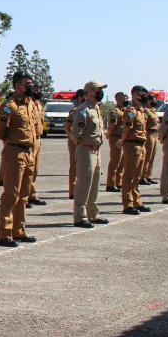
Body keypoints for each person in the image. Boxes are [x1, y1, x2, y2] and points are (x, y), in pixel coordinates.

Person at [0, 71, 39, 247]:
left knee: (23, 195)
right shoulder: (9, 106)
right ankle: (4, 234)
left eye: (31, 83)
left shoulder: (31, 105)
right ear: (17, 85)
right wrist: (11, 142)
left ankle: (19, 231)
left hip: (29, 153)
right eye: (27, 83)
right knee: (11, 194)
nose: (30, 87)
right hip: (15, 153)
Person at [70, 81, 110, 228]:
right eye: (98, 90)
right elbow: (75, 134)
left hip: (96, 149)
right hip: (86, 150)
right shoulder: (83, 109)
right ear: (90, 92)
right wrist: (80, 143)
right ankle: (80, 217)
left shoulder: (96, 108)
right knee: (84, 184)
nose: (100, 92)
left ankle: (93, 214)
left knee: (94, 184)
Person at [117, 85, 151, 215]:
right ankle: (128, 204)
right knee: (129, 177)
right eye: (142, 94)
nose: (144, 97)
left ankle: (137, 201)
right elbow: (127, 128)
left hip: (141, 145)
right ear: (135, 95)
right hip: (132, 145)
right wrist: (122, 141)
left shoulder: (142, 110)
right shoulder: (130, 111)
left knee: (137, 177)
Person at [26, 83, 47, 207]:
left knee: (35, 169)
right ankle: (25, 195)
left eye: (39, 90)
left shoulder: (38, 104)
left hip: (38, 139)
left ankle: (32, 194)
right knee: (28, 168)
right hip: (31, 138)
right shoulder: (28, 103)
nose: (37, 92)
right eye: (35, 90)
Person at [105, 92, 128, 192]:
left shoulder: (126, 111)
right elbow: (111, 126)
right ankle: (111, 184)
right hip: (116, 138)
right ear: (119, 100)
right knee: (115, 161)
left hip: (123, 138)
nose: (127, 100)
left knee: (122, 162)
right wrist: (109, 134)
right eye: (125, 98)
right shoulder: (116, 112)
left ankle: (118, 182)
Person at [65, 89, 86, 199]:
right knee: (74, 164)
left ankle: (83, 190)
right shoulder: (75, 110)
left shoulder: (91, 109)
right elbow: (67, 125)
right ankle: (72, 191)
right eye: (85, 96)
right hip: (75, 140)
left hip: (86, 141)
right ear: (79, 98)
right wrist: (70, 135)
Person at [141, 98, 160, 185]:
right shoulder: (146, 111)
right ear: (148, 101)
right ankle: (142, 176)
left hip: (155, 134)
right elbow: (144, 123)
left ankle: (149, 176)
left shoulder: (153, 111)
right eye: (153, 100)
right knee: (147, 156)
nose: (155, 102)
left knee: (152, 156)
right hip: (149, 133)